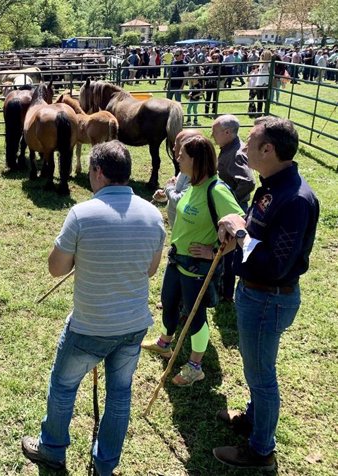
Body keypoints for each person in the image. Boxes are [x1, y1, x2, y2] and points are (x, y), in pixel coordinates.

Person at [21, 141, 165, 475]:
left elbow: (56, 268)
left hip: (89, 326)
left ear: (98, 172)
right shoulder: (153, 215)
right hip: (132, 326)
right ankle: (105, 465)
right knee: (120, 395)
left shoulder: (81, 214)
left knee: (63, 386)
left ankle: (53, 449)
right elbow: (150, 269)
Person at [213, 117, 319, 470]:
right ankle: (253, 418)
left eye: (250, 143)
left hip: (268, 296)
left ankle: (261, 450)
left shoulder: (296, 199)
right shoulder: (271, 185)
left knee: (262, 375)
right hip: (255, 292)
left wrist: (239, 233)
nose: (242, 149)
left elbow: (275, 263)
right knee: (256, 368)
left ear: (268, 149)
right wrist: (238, 223)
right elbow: (257, 225)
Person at [142, 135, 244, 386]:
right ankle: (165, 342)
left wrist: (214, 252)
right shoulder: (192, 185)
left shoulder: (216, 190)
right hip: (177, 259)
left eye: (182, 155)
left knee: (194, 315)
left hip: (196, 267)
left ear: (196, 160)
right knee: (168, 301)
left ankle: (195, 366)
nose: (178, 158)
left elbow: (241, 225)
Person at [211, 115, 255, 302]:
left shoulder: (236, 154)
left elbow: (248, 182)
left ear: (227, 133)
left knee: (228, 253)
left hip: (234, 208)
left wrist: (231, 202)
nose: (213, 136)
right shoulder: (228, 148)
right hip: (231, 206)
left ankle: (226, 293)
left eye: (215, 133)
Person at [152, 129, 202, 227]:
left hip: (186, 231)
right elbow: (178, 193)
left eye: (176, 144)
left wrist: (169, 187)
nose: (174, 148)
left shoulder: (195, 175)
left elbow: (180, 200)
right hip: (178, 228)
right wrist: (165, 194)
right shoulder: (185, 169)